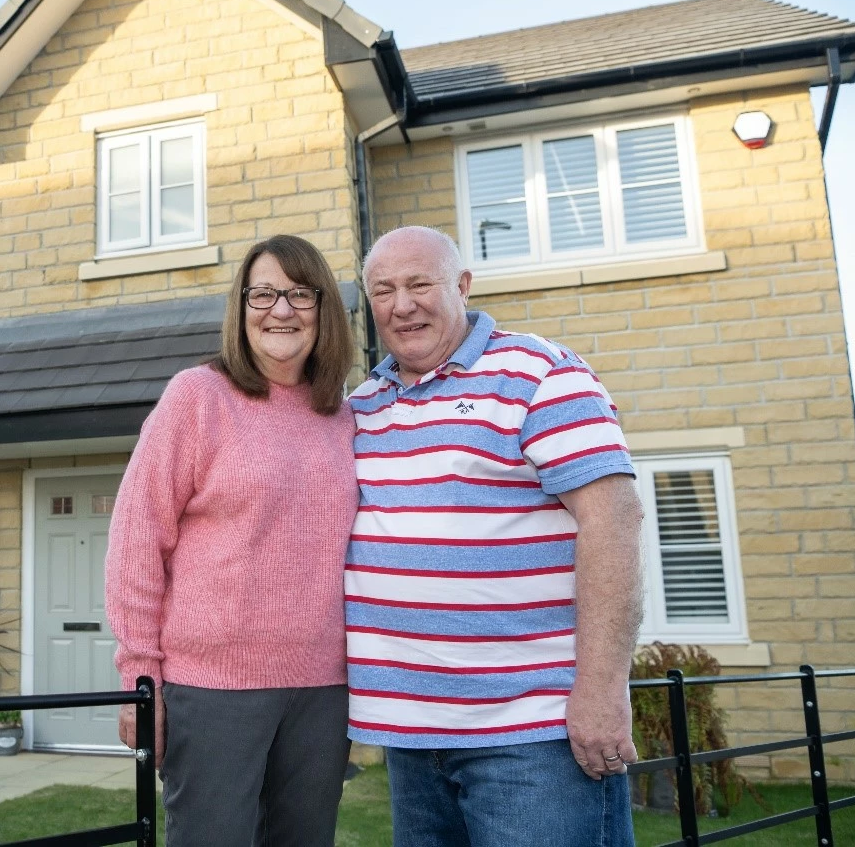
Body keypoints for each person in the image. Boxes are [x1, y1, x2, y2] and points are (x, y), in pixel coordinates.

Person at [346, 226, 644, 847]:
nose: (402, 305)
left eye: (420, 284)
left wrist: (601, 688)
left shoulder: (539, 373)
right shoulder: (365, 404)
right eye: (383, 291)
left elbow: (614, 521)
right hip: (413, 737)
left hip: (532, 734)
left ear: (461, 286)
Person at [104, 234, 358, 847]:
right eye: (263, 293)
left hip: (322, 689)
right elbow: (138, 539)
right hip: (213, 689)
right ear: (240, 307)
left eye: (300, 293)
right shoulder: (198, 397)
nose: (281, 309)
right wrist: (142, 679)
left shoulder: (344, 416)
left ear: (324, 310)